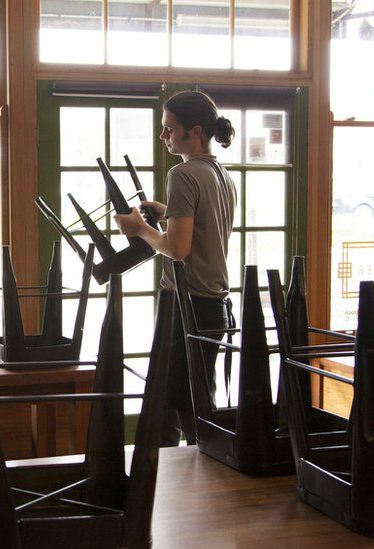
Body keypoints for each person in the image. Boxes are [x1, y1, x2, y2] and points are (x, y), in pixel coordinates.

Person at [113, 90, 237, 446]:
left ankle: (185, 481)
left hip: (189, 305)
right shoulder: (221, 174)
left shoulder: (182, 174)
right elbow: (205, 226)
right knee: (182, 398)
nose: (163, 136)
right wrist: (166, 212)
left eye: (170, 129)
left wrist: (140, 228)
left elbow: (177, 249)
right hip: (214, 304)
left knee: (184, 404)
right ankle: (171, 483)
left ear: (195, 132)